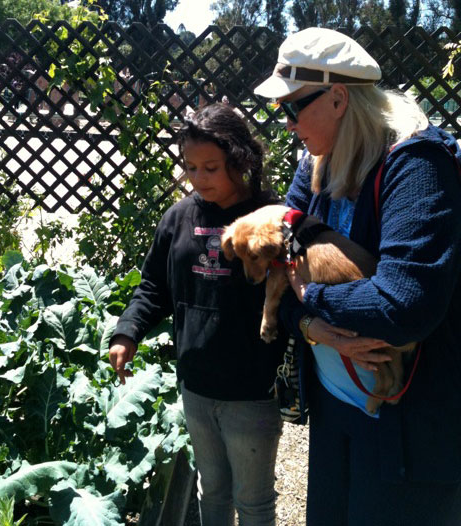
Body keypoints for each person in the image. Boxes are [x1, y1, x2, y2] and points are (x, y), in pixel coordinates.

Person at [254, 27, 461, 526]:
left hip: (405, 429)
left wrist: (310, 295)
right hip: (335, 408)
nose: (287, 125)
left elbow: (402, 305)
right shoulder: (314, 164)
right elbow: (280, 261)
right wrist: (312, 328)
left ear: (339, 98)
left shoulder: (415, 165)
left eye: (292, 108)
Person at [108, 103, 286, 526]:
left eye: (211, 167)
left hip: (251, 389)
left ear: (239, 161)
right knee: (212, 491)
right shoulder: (179, 217)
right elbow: (154, 285)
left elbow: (296, 290)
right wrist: (127, 331)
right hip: (196, 384)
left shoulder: (271, 217)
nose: (199, 179)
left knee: (254, 500)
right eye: (191, 167)